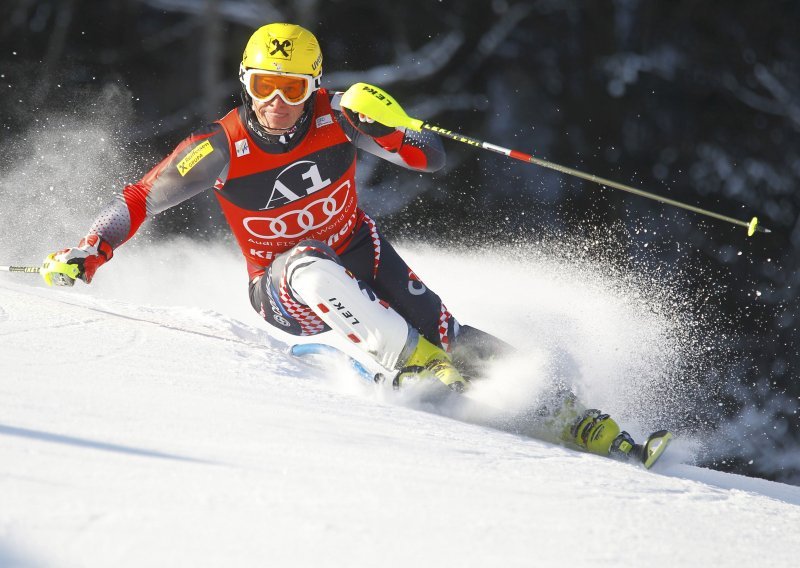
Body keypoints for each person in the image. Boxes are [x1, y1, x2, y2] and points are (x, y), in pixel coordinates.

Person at [41, 23, 660, 463]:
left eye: (292, 88)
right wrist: (89, 251)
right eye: (262, 86)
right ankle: (410, 366)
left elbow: (432, 159)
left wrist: (395, 126)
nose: (277, 104)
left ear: (314, 85)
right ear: (244, 83)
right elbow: (142, 195)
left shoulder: (340, 117)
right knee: (310, 265)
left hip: (362, 251)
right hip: (282, 287)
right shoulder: (223, 148)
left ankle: (575, 417)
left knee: (450, 333)